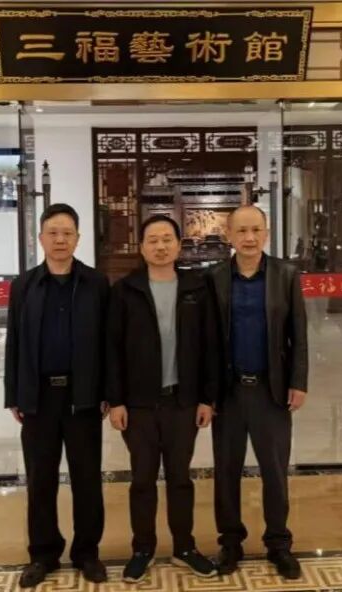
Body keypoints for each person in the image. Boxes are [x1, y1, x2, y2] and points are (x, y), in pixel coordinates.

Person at [107, 215, 219, 583]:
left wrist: (207, 399)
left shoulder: (196, 288)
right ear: (142, 247)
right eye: (152, 240)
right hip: (138, 406)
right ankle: (142, 549)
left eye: (167, 239)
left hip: (182, 403)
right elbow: (112, 350)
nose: (160, 246)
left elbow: (209, 346)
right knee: (142, 480)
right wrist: (116, 401)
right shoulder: (125, 291)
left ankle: (184, 547)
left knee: (180, 478)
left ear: (178, 245)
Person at [4, 203, 109, 588]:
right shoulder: (24, 285)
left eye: (67, 233)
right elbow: (14, 341)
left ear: (78, 239)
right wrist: (14, 394)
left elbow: (108, 343)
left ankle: (87, 553)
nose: (60, 240)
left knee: (87, 479)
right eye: (53, 233)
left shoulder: (96, 283)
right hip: (38, 397)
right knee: (40, 480)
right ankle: (43, 554)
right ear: (41, 238)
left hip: (83, 396)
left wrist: (108, 392)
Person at [209, 205, 309, 580]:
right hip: (229, 393)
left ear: (266, 233)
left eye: (256, 230)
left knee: (275, 471)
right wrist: (207, 392)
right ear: (229, 236)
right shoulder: (215, 277)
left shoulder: (285, 275)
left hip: (271, 390)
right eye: (241, 231)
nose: (249, 238)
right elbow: (206, 340)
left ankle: (278, 543)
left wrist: (298, 381)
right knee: (226, 471)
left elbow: (298, 334)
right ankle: (230, 542)